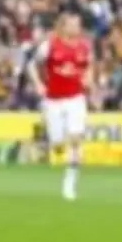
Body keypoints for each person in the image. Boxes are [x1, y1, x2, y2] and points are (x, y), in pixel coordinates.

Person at [26, 12, 93, 201]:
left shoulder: (84, 47)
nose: (76, 28)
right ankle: (49, 141)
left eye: (78, 25)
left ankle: (69, 184)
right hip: (53, 99)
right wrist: (38, 84)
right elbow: (31, 65)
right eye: (72, 24)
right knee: (57, 145)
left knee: (76, 138)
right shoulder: (49, 46)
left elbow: (89, 65)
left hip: (75, 98)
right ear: (63, 27)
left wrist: (89, 78)